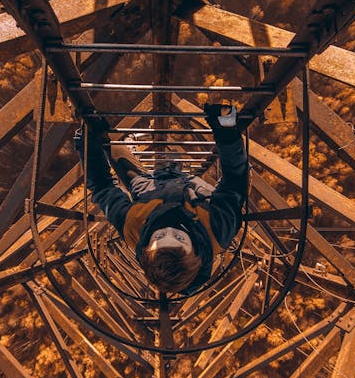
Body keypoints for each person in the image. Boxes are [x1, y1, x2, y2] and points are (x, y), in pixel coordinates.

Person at [75, 105, 249, 295]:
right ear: (196, 250)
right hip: (189, 186)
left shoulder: (134, 228)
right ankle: (140, 153)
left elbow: (102, 187)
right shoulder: (217, 231)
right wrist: (226, 130)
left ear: (145, 248)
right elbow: (235, 180)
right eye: (179, 237)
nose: (169, 228)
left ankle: (115, 143)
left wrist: (88, 143)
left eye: (158, 237)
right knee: (114, 151)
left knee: (109, 148)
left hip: (147, 187)